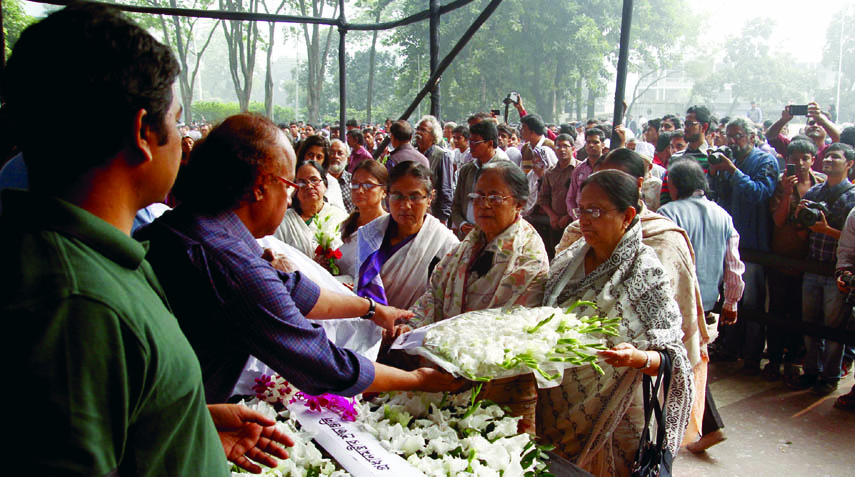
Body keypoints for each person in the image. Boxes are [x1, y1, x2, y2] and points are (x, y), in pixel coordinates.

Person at [2, 4, 290, 475]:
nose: (184, 142)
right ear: (142, 132)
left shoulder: (98, 261)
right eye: (177, 122)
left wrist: (185, 424)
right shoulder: (77, 305)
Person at [138, 114, 461, 404]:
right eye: (290, 184)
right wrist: (417, 380)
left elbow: (290, 288)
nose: (292, 196)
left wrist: (373, 309)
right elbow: (322, 363)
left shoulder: (190, 223)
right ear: (261, 187)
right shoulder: (232, 265)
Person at [539, 170, 693, 475]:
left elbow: (672, 358)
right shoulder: (569, 261)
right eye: (581, 210)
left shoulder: (645, 273)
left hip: (614, 417)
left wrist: (635, 358)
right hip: (554, 411)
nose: (584, 220)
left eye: (595, 211)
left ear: (628, 215)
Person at [410, 161, 549, 431]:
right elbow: (435, 290)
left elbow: (506, 324)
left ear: (519, 204)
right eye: (479, 196)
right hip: (448, 373)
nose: (483, 205)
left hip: (500, 387)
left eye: (495, 197)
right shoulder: (470, 242)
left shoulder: (528, 254)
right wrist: (413, 326)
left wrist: (452, 354)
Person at [658, 158, 746, 453]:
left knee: (681, 364)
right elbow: (733, 264)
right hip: (708, 303)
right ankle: (704, 427)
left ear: (674, 185)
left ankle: (701, 427)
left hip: (676, 303)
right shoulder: (723, 215)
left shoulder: (668, 213)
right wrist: (732, 301)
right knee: (692, 362)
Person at [708, 117, 779, 373]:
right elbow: (718, 197)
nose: (733, 141)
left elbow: (760, 192)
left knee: (751, 303)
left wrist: (733, 171)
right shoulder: (731, 160)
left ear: (751, 137)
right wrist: (716, 174)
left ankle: (751, 355)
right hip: (730, 240)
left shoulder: (765, 161)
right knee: (730, 298)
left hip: (753, 243)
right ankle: (729, 346)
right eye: (730, 136)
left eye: (738, 136)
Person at [789, 143, 855, 395]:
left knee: (833, 328)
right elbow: (799, 228)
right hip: (812, 264)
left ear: (849, 163)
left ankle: (830, 376)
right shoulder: (814, 192)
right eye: (827, 156)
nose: (828, 160)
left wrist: (826, 230)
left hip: (836, 270)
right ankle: (811, 371)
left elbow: (851, 241)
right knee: (809, 324)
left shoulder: (853, 197)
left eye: (835, 157)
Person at [356, 161, 459, 310]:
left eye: (415, 197)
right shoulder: (369, 234)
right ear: (387, 195)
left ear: (429, 198)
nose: (405, 205)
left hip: (415, 327)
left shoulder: (445, 244)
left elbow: (442, 302)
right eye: (397, 196)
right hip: (368, 323)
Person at [766, 139, 826, 382]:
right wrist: (788, 192)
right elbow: (778, 221)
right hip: (781, 257)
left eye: (805, 158)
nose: (800, 164)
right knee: (777, 310)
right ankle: (774, 360)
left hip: (808, 259)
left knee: (799, 313)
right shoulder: (780, 184)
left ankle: (793, 359)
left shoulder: (821, 184)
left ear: (813, 160)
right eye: (795, 159)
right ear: (787, 160)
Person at [274, 159, 349, 261]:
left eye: (314, 180)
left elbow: (351, 258)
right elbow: (277, 259)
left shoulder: (341, 218)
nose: (309, 186)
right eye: (302, 182)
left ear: (325, 185)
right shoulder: (283, 221)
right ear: (295, 188)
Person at [452, 121, 504, 238]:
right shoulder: (466, 170)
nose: (471, 145)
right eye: (470, 141)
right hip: (466, 236)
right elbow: (456, 205)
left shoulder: (505, 171)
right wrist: (462, 224)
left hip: (494, 237)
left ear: (490, 143)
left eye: (475, 142)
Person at [339, 160, 389, 278]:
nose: (359, 190)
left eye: (368, 185)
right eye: (355, 184)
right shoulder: (346, 225)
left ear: (384, 192)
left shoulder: (388, 227)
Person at [533, 133, 577, 258]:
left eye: (566, 146)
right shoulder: (550, 172)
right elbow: (543, 198)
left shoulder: (579, 170)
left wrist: (568, 216)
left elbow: (581, 199)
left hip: (574, 223)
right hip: (555, 223)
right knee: (556, 254)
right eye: (558, 147)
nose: (562, 149)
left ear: (573, 149)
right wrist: (552, 216)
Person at [766, 102, 840, 170]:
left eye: (819, 123)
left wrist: (822, 119)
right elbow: (771, 136)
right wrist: (783, 120)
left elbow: (841, 139)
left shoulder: (830, 151)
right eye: (811, 123)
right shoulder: (792, 147)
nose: (815, 125)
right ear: (805, 128)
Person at [415, 115, 454, 225]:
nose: (419, 132)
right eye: (418, 129)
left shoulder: (441, 156)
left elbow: (446, 189)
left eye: (423, 130)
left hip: (433, 214)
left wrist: (443, 218)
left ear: (433, 136)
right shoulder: (413, 154)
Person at [565, 127, 606, 220]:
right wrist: (577, 217)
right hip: (581, 219)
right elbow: (570, 198)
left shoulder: (608, 167)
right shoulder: (579, 169)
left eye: (595, 142)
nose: (591, 145)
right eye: (588, 142)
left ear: (603, 145)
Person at [297, 134, 345, 209]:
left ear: (324, 160)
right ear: (303, 155)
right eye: (310, 154)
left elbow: (340, 214)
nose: (314, 160)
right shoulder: (293, 178)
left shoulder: (331, 182)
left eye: (319, 157)